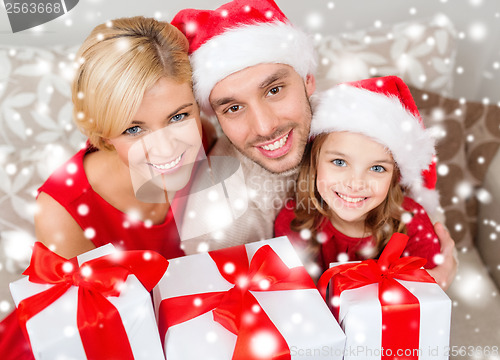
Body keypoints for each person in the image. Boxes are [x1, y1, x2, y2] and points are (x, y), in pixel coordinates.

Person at [171, 0, 457, 291]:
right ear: (215, 115)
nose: (265, 126)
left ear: (309, 81)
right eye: (233, 108)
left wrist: (438, 262)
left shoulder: (351, 121)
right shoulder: (217, 214)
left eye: (274, 90)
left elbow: (416, 201)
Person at [0, 16, 214, 359]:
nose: (165, 149)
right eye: (134, 129)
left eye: (178, 117)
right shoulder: (64, 211)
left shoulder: (207, 139)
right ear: (104, 131)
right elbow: (86, 337)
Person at [275, 76, 441, 276]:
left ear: (395, 177)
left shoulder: (413, 225)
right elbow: (290, 296)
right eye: (339, 162)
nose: (355, 184)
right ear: (314, 162)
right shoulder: (293, 221)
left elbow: (425, 300)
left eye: (377, 168)